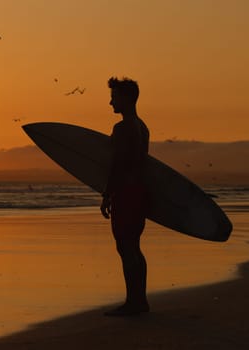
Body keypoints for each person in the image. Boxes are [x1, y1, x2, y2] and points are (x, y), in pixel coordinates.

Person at [100, 77, 150, 316]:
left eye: (114, 96)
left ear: (127, 98)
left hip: (126, 193)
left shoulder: (122, 128)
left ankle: (134, 303)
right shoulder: (142, 127)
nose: (111, 102)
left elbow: (118, 164)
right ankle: (140, 301)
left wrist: (107, 193)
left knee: (125, 247)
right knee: (134, 247)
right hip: (140, 192)